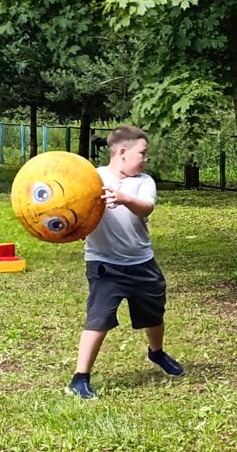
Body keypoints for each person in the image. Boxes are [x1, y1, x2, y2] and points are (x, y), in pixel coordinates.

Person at [66, 125, 183, 399]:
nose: (145, 158)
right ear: (122, 152)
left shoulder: (144, 182)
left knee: (154, 314)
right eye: (142, 153)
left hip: (141, 262)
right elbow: (73, 207)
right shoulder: (92, 178)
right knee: (99, 318)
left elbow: (147, 207)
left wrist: (124, 198)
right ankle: (79, 378)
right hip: (104, 264)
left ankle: (156, 353)